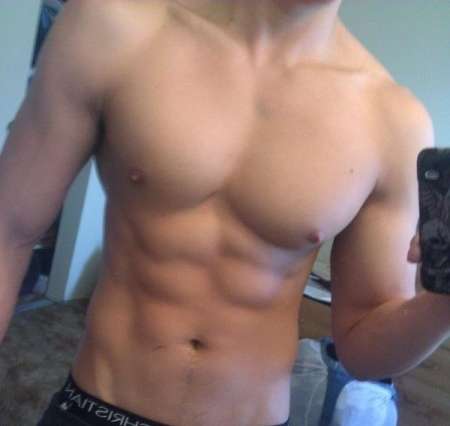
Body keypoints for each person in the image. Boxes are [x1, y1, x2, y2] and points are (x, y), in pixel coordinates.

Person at [0, 0, 448, 425]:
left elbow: (364, 353)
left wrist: (441, 300)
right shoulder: (112, 28)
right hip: (98, 408)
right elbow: (10, 231)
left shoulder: (393, 121)